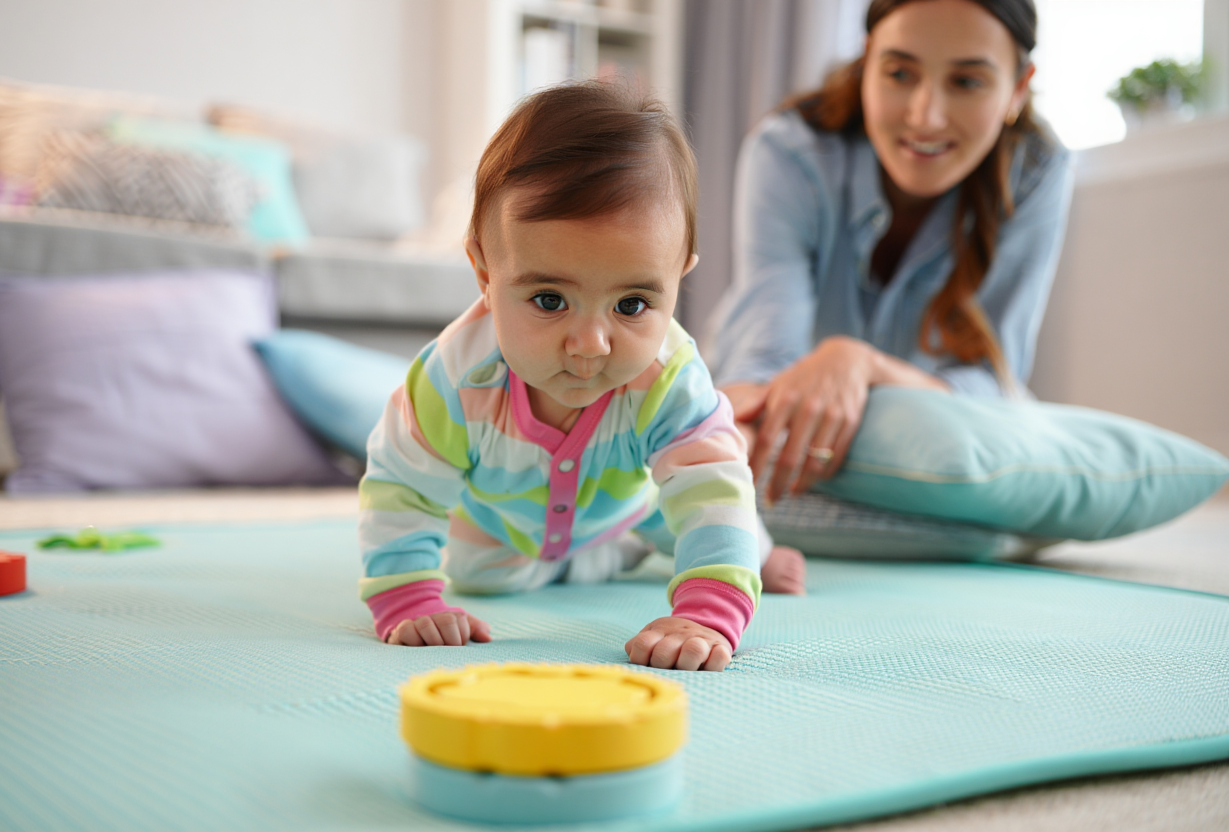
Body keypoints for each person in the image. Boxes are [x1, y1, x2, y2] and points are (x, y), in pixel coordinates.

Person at [358, 81, 807, 672]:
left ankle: (731, 554)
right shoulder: (453, 380)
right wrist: (409, 596)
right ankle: (607, 555)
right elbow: (402, 488)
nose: (591, 345)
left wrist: (709, 609)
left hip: (630, 499)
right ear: (485, 272)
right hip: (502, 526)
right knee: (481, 577)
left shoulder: (671, 378)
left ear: (679, 277)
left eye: (630, 305)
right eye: (548, 299)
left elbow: (711, 486)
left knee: (715, 516)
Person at [707, 0, 1073, 506]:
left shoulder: (1036, 169)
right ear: (866, 61)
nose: (926, 116)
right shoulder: (788, 149)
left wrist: (861, 364)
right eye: (900, 73)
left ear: (1018, 87)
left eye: (966, 82)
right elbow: (766, 355)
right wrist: (730, 434)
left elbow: (995, 380)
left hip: (926, 421)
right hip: (781, 401)